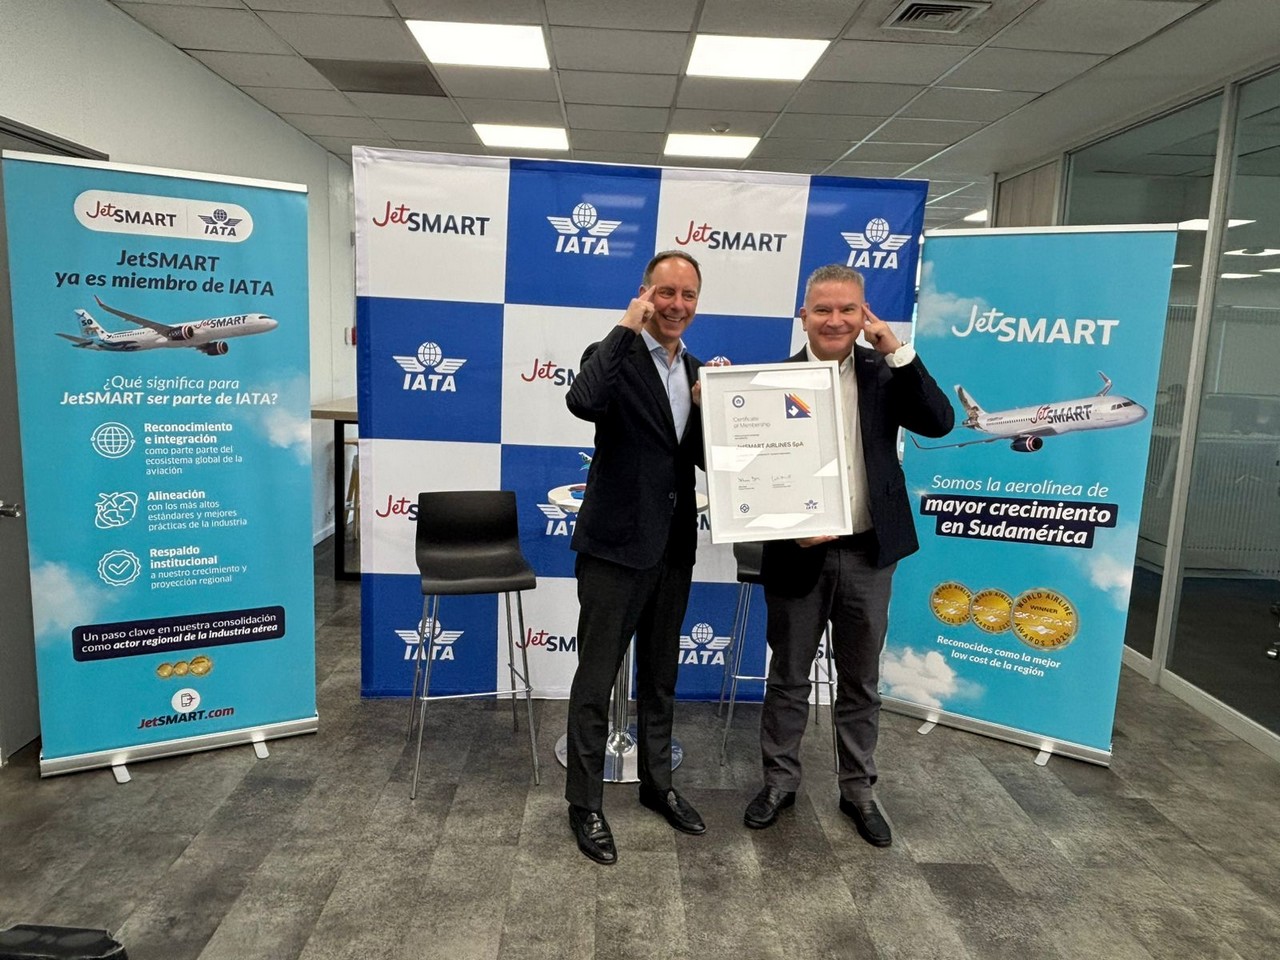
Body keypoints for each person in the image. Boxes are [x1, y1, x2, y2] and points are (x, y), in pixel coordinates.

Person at [743, 263, 954, 846]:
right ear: (803, 316)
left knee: (861, 681)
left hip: (869, 553)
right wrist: (785, 526)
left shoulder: (886, 370)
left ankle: (858, 790)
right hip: (797, 555)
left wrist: (898, 351)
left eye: (848, 310)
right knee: (788, 678)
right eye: (823, 309)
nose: (834, 320)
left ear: (865, 316)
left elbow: (939, 422)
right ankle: (779, 784)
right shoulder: (765, 383)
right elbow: (746, 472)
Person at [562, 250, 708, 865]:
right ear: (645, 294)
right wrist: (626, 324)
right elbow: (583, 401)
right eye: (664, 293)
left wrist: (711, 409)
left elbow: (699, 458)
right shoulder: (610, 355)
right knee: (596, 679)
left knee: (661, 676)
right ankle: (585, 803)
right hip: (615, 547)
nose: (676, 305)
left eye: (688, 295)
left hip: (673, 545)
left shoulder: (695, 369)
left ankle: (657, 784)